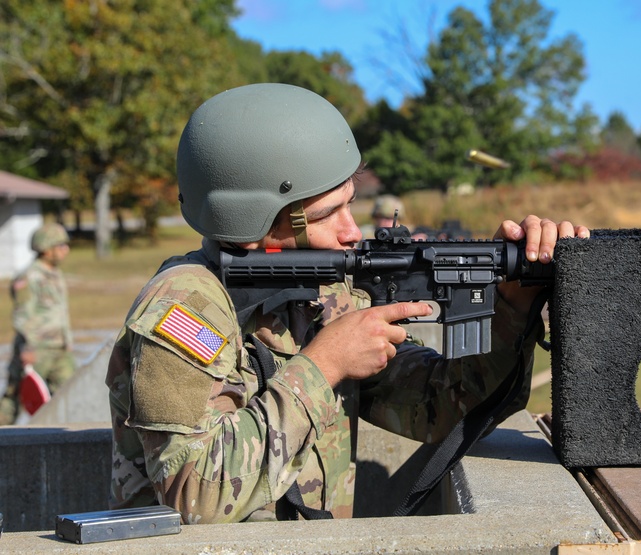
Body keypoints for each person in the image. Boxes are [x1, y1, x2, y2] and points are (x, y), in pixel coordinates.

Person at [106, 83, 588, 524]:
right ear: (254, 222)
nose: (352, 231)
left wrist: (513, 302)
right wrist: (323, 367)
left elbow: (441, 407)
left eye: (350, 204)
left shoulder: (322, 297)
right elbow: (195, 496)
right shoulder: (184, 311)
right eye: (327, 213)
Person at [1, 223, 74, 425]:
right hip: (37, 348)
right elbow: (22, 315)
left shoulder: (54, 273)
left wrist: (67, 341)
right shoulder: (29, 276)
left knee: (68, 395)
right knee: (15, 398)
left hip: (58, 348)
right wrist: (29, 348)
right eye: (60, 245)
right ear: (45, 248)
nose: (65, 250)